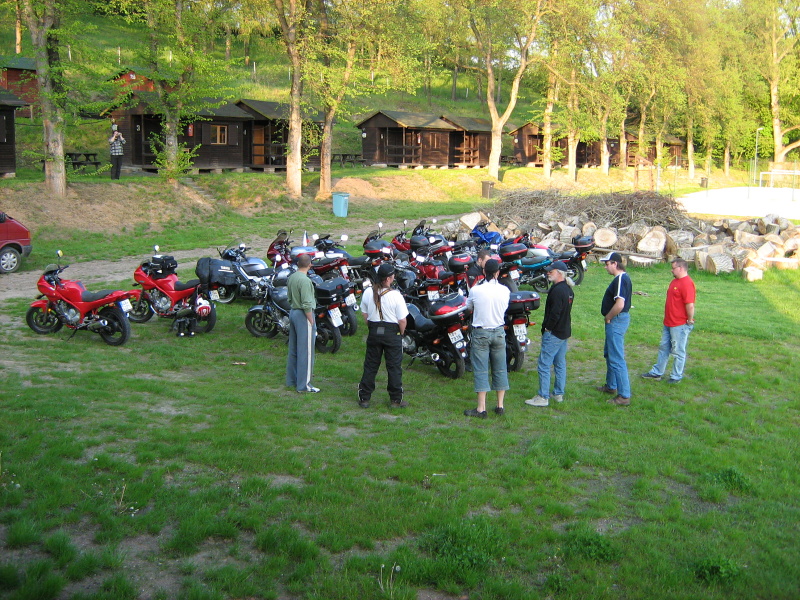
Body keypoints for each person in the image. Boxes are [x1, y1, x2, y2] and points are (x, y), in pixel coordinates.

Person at [358, 262, 409, 408]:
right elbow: (402, 320)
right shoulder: (396, 295)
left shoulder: (368, 292)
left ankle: (364, 398)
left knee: (370, 365)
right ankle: (395, 400)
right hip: (392, 332)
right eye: (392, 276)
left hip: (374, 330)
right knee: (394, 367)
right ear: (387, 279)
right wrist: (400, 334)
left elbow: (364, 314)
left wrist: (372, 327)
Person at [464, 259, 511, 418]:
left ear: (484, 272)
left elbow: (469, 307)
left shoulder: (476, 290)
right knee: (500, 368)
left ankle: (481, 408)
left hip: (481, 332)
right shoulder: (505, 290)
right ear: (498, 272)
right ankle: (500, 405)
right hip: (499, 331)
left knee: (481, 369)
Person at [525, 261, 574, 407]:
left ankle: (543, 397)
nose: (548, 273)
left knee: (544, 364)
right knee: (559, 363)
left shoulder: (557, 290)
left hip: (554, 333)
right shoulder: (568, 289)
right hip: (564, 331)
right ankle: (558, 393)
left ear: (559, 273)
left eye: (551, 271)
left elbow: (555, 313)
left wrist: (547, 328)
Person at [641, 258, 696, 384]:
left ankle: (676, 376)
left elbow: (690, 305)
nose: (671, 270)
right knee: (664, 347)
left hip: (679, 324)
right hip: (668, 321)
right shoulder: (674, 281)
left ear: (681, 268)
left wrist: (689, 319)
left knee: (678, 350)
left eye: (673, 268)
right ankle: (657, 372)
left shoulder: (687, 284)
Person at [598, 252, 633, 406]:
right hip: (617, 320)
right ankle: (611, 385)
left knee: (617, 357)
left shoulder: (620, 279)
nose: (605, 267)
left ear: (615, 264)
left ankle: (624, 396)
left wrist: (608, 317)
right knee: (610, 353)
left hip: (616, 320)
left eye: (607, 264)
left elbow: (619, 304)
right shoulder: (623, 278)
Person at [286, 254, 319, 393]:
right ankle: (304, 385)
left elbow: (289, 297)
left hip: (293, 311)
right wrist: (311, 320)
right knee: (306, 352)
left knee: (294, 349)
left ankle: (292, 380)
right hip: (303, 315)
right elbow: (306, 303)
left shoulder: (292, 277)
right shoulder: (305, 281)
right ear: (310, 264)